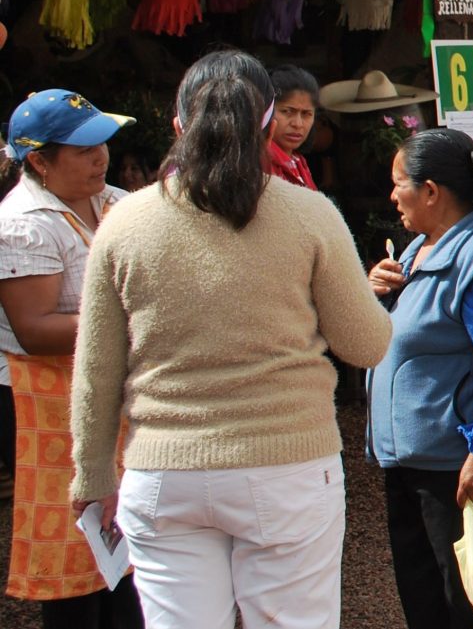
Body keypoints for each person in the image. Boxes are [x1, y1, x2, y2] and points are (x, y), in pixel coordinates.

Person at [70, 50, 393, 628]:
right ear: (266, 128)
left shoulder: (122, 222)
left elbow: (96, 369)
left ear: (177, 125)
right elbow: (367, 345)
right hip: (288, 466)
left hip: (163, 473)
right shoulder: (311, 215)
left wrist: (92, 475)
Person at [366, 130, 473, 628]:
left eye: (399, 184)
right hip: (411, 467)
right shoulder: (417, 250)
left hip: (458, 472)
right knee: (429, 603)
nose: (392, 195)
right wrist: (377, 291)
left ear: (432, 191)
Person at [1, 89, 144, 627]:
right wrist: (136, 321)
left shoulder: (119, 202)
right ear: (39, 160)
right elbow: (35, 330)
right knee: (70, 545)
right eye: (84, 149)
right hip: (48, 398)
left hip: (117, 386)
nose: (101, 155)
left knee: (127, 542)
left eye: (103, 141)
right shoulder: (21, 222)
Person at [265, 65, 321, 189]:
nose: (298, 124)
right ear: (266, 111)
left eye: (306, 114)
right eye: (287, 111)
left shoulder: (299, 161)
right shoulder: (260, 163)